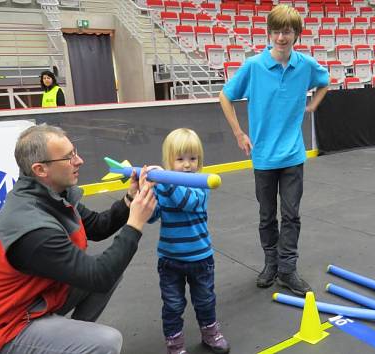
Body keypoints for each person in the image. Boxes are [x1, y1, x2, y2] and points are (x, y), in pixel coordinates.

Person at [0, 124, 157, 354]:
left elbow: (98, 227)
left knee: (112, 271)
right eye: (69, 157)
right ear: (40, 170)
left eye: (75, 152)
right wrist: (136, 223)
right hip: (9, 327)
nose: (79, 161)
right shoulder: (32, 228)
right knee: (106, 342)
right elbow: (99, 276)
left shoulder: (54, 195)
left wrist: (130, 199)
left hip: (38, 300)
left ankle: (70, 343)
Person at [219, 5, 329, 297]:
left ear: (296, 34)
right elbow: (225, 96)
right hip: (264, 157)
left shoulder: (305, 65)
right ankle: (271, 263)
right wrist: (239, 133)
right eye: (277, 31)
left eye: (288, 31)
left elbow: (325, 82)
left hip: (293, 155)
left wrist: (314, 104)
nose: (282, 37)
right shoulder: (254, 66)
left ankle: (287, 269)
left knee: (291, 215)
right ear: (269, 33)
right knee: (267, 216)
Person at [147, 128, 230, 354]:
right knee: (173, 305)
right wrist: (144, 191)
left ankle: (211, 334)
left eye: (193, 159)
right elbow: (152, 216)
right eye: (180, 159)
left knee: (205, 300)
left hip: (200, 258)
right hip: (170, 260)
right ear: (168, 161)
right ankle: (175, 345)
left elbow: (187, 202)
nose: (187, 165)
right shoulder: (163, 188)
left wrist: (164, 180)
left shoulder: (201, 184)